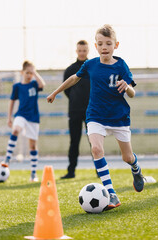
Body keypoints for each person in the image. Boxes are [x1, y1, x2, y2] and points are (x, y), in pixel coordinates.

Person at [47, 24, 145, 210]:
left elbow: (131, 94)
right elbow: (74, 78)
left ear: (116, 45)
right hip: (95, 116)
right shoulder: (90, 64)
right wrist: (55, 92)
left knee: (127, 157)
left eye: (108, 43)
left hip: (119, 117)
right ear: (96, 46)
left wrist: (128, 87)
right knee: (97, 150)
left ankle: (136, 169)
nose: (104, 47)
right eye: (100, 44)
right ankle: (110, 193)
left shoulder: (121, 65)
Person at [1, 60, 46, 182]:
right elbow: (12, 102)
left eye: (31, 73)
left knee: (32, 145)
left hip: (33, 117)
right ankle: (7, 159)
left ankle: (33, 173)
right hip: (21, 115)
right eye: (27, 72)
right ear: (22, 72)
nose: (29, 75)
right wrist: (9, 117)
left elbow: (42, 85)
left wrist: (35, 72)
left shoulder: (34, 85)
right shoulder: (17, 86)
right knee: (16, 130)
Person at [61, 40, 94, 179]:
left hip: (91, 111)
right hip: (74, 111)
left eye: (84, 50)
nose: (82, 53)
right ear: (76, 51)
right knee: (74, 142)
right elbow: (66, 89)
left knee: (94, 141)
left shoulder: (93, 67)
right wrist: (76, 99)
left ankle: (100, 170)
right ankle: (71, 171)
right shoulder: (70, 69)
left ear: (88, 51)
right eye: (80, 50)